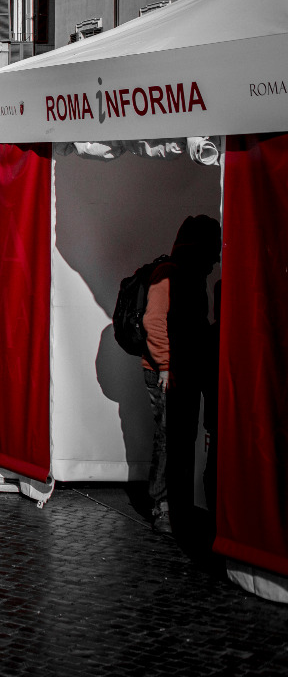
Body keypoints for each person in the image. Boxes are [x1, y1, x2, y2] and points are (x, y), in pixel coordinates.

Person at [141, 214, 222, 535]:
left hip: (183, 369)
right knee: (168, 439)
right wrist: (164, 366)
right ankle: (162, 505)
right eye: (213, 248)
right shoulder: (169, 274)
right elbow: (154, 322)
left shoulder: (192, 275)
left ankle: (178, 504)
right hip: (167, 371)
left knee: (181, 438)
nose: (217, 257)